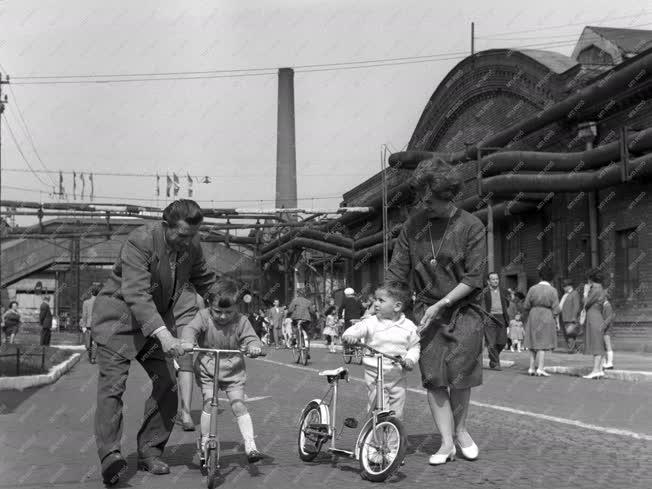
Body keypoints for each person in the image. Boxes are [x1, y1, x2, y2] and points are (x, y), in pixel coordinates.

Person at [90, 199, 215, 485]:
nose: (187, 242)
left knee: (169, 384)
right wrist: (164, 335)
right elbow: (136, 294)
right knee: (113, 387)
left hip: (152, 325)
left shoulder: (191, 246)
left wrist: (232, 309)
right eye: (182, 235)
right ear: (165, 225)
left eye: (193, 236)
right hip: (118, 323)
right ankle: (111, 458)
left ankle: (150, 450)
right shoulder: (140, 241)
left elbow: (207, 282)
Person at [386, 157, 487, 466]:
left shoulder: (471, 225)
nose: (423, 205)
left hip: (464, 310)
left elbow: (474, 277)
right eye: (420, 199)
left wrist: (441, 304)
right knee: (433, 377)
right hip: (425, 312)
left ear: (449, 196)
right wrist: (382, 310)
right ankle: (445, 443)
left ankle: (461, 431)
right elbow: (395, 274)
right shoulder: (412, 227)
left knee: (459, 374)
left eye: (430, 200)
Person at [180, 278, 266, 463]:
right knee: (209, 403)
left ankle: (250, 445)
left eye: (229, 312)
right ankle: (205, 441)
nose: (223, 316)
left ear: (237, 307)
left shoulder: (241, 321)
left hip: (233, 370)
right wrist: (187, 341)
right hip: (208, 369)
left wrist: (254, 347)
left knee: (238, 404)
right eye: (218, 311)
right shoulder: (203, 316)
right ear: (210, 304)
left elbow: (252, 338)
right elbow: (190, 329)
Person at [341, 282, 419, 420]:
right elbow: (353, 331)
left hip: (398, 376)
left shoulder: (409, 326)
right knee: (378, 409)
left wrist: (410, 359)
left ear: (397, 306)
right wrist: (350, 337)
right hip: (374, 374)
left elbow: (414, 346)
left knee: (397, 414)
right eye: (375, 299)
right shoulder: (371, 322)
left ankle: (393, 440)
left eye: (381, 300)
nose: (375, 304)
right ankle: (373, 438)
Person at [174, 287, 204, 432]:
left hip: (184, 316)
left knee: (185, 362)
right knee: (163, 366)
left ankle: (186, 413)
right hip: (159, 316)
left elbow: (199, 289)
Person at [523, 267, 560, 376]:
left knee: (533, 342)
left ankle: (531, 368)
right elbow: (556, 308)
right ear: (551, 278)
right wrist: (554, 318)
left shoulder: (532, 288)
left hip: (533, 315)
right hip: (547, 315)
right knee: (543, 343)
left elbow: (526, 305)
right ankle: (540, 368)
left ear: (540, 276)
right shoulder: (553, 290)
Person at [582, 269, 610, 379]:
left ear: (590, 279)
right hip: (597, 316)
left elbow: (585, 303)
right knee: (598, 342)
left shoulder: (595, 288)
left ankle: (595, 370)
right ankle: (599, 369)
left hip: (593, 317)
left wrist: (585, 292)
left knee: (596, 343)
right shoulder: (600, 288)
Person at [482, 272, 510, 370]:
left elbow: (507, 303)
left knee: (502, 342)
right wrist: (485, 317)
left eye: (497, 279)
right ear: (488, 281)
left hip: (501, 317)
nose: (495, 281)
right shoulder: (484, 291)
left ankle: (493, 357)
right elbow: (482, 305)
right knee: (491, 342)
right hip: (489, 318)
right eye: (493, 279)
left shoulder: (503, 291)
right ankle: (495, 363)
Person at [287, 289, 315, 353]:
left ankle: (294, 337)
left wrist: (288, 314)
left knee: (294, 327)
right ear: (304, 294)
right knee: (307, 333)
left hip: (296, 319)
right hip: (306, 319)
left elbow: (290, 310)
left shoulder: (295, 300)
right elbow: (312, 311)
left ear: (297, 294)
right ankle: (307, 349)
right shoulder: (308, 301)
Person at [559, 279, 582, 353]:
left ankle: (571, 349)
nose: (563, 288)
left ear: (569, 286)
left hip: (570, 318)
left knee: (570, 334)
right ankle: (574, 348)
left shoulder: (574, 293)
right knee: (566, 334)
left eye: (564, 286)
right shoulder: (566, 294)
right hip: (563, 317)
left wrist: (574, 317)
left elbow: (576, 306)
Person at [80, 286, 101, 363]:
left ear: (91, 293)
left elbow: (84, 315)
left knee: (88, 343)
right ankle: (93, 358)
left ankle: (90, 355)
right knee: (95, 342)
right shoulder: (101, 303)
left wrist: (83, 325)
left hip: (88, 325)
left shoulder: (86, 302)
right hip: (97, 325)